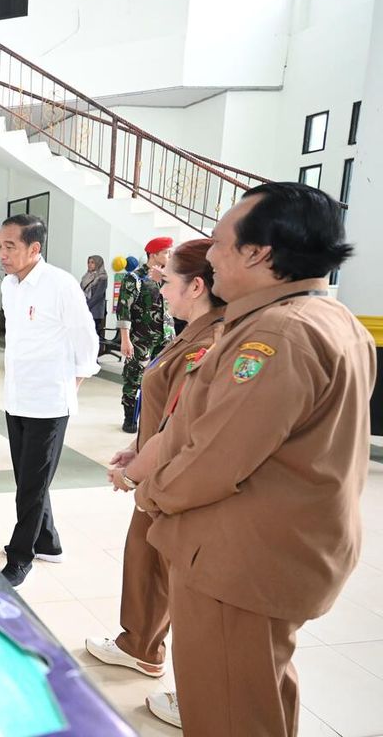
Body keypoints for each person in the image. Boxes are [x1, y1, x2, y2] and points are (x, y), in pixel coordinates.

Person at [119, 182, 375, 735]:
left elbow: (214, 456)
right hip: (283, 550)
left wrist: (147, 492)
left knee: (228, 711)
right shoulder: (329, 319)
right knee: (257, 694)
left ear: (259, 253)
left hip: (242, 562)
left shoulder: (277, 335)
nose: (208, 256)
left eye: (217, 242)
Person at [83, 239, 225, 726]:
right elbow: (166, 411)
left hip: (178, 481)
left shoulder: (214, 341)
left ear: (198, 286)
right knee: (145, 561)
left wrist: (136, 470)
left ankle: (203, 696)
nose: (159, 289)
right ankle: (140, 646)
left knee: (184, 587)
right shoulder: (189, 333)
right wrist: (137, 449)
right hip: (158, 472)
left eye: (167, 282)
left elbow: (186, 424)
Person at [0, 214, 100, 586]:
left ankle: (20, 555)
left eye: (11, 246)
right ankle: (48, 543)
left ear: (34, 248)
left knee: (31, 486)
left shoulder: (60, 284)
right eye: (0, 245)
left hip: (50, 403)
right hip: (17, 398)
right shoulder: (10, 286)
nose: (3, 253)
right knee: (30, 478)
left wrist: (72, 383)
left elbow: (87, 339)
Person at [117, 237, 174, 433]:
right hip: (141, 338)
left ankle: (157, 420)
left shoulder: (171, 277)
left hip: (166, 337)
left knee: (162, 379)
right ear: (154, 254)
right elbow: (124, 310)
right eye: (166, 252)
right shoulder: (135, 278)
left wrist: (165, 279)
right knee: (134, 377)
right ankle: (130, 418)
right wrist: (125, 339)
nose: (170, 255)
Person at [80, 255, 109, 340]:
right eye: (88, 262)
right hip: (85, 309)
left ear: (98, 263)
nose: (89, 264)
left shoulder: (102, 277)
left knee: (93, 336)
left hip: (95, 311)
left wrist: (86, 306)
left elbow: (98, 296)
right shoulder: (86, 276)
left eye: (92, 262)